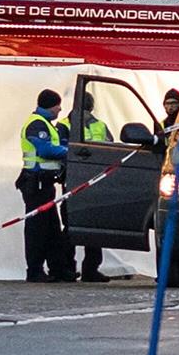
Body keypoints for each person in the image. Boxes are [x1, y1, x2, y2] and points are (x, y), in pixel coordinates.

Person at [16, 89, 72, 283]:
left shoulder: (47, 124)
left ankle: (58, 269)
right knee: (37, 229)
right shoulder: (37, 124)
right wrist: (68, 151)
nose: (60, 109)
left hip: (45, 184)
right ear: (50, 105)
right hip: (35, 183)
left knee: (52, 228)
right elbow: (45, 149)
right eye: (58, 105)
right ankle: (35, 270)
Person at [57, 92, 112, 283]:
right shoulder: (99, 125)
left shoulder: (63, 125)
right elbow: (110, 150)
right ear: (92, 107)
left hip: (73, 182)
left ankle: (67, 268)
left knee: (70, 225)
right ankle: (90, 269)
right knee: (92, 225)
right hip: (94, 181)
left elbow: (61, 152)